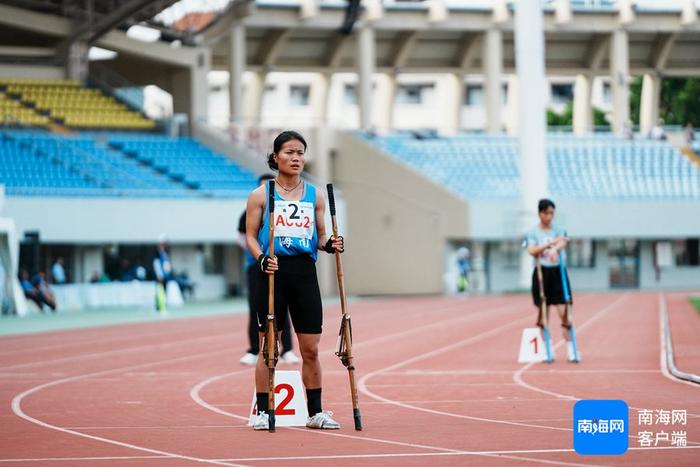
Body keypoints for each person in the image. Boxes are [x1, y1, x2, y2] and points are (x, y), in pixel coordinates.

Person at [245, 130, 344, 431]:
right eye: (289, 152)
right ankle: (263, 411)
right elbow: (250, 236)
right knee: (269, 347)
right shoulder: (261, 195)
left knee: (310, 348)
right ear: (276, 157)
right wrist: (262, 258)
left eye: (301, 152)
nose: (296, 157)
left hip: (304, 273)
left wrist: (331, 244)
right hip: (272, 272)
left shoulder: (314, 195)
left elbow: (321, 235)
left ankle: (315, 412)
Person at [238, 173, 300, 366]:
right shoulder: (250, 210)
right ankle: (255, 349)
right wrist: (257, 254)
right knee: (257, 308)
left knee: (284, 309)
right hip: (257, 266)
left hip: (281, 264)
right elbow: (243, 236)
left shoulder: (286, 209)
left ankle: (287, 349)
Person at [526, 199, 571, 340]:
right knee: (543, 312)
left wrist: (555, 249)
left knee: (564, 311)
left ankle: (571, 348)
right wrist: (548, 245)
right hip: (542, 272)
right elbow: (531, 250)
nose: (549, 216)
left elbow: (563, 241)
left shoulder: (558, 229)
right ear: (540, 213)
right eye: (546, 213)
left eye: (552, 213)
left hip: (558, 271)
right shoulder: (533, 232)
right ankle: (547, 348)